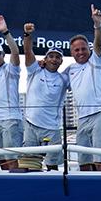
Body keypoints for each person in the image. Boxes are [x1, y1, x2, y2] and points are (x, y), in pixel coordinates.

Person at [64, 4, 101, 171]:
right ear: (71, 52)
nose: (80, 52)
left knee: (100, 160)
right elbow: (53, 78)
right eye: (76, 50)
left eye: (83, 49)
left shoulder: (95, 60)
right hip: (82, 119)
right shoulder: (70, 69)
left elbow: (98, 43)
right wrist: (42, 64)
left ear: (89, 49)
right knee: (83, 161)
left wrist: (97, 25)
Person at [20, 23, 68, 172]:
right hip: (31, 125)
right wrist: (27, 34)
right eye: (51, 56)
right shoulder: (35, 70)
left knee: (53, 166)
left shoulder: (64, 79)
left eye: (58, 57)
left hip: (52, 129)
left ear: (61, 61)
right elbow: (28, 51)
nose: (54, 59)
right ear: (45, 59)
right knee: (31, 165)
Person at [0, 14, 22, 170]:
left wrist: (6, 32)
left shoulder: (11, 69)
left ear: (3, 55)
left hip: (11, 120)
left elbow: (15, 52)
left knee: (13, 159)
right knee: (1, 159)